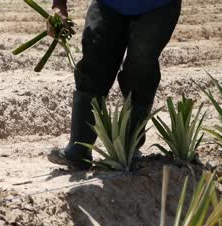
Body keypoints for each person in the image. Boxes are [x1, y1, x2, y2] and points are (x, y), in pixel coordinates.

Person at [47, 0, 181, 170]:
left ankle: (128, 148)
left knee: (140, 69)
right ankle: (79, 148)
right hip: (109, 4)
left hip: (156, 6)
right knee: (93, 64)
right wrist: (59, 7)